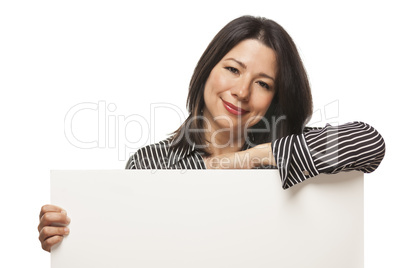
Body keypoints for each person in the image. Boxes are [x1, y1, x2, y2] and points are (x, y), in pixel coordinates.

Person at [38, 15, 386, 252]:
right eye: (233, 69)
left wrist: (245, 160)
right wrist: (71, 236)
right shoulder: (150, 163)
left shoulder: (286, 151)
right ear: (208, 70)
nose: (242, 91)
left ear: (274, 98)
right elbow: (132, 247)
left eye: (263, 83)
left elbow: (369, 142)